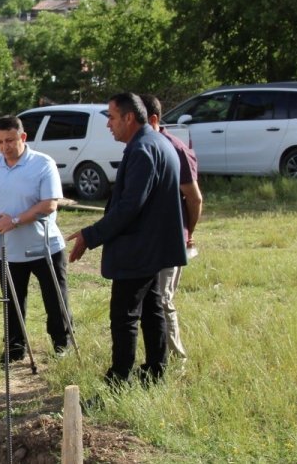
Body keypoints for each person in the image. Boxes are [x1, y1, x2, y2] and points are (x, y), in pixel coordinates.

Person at [67, 93, 185, 385]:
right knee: (152, 309)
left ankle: (119, 379)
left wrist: (90, 235)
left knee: (124, 315)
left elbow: (130, 206)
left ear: (129, 117)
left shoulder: (144, 149)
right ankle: (156, 370)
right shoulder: (157, 142)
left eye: (112, 117)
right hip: (151, 247)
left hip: (138, 249)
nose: (108, 124)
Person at [0, 114, 71, 360]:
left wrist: (15, 220)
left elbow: (49, 204)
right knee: (12, 300)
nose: (4, 147)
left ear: (23, 137)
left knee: (55, 299)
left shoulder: (42, 163)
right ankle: (15, 348)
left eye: (9, 140)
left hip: (44, 247)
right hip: (7, 250)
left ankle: (62, 345)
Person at [142, 94, 204, 363]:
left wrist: (187, 234)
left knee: (162, 299)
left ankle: (178, 360)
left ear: (153, 119)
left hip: (170, 239)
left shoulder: (174, 148)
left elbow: (194, 198)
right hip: (147, 240)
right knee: (149, 300)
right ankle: (157, 357)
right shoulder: (142, 146)